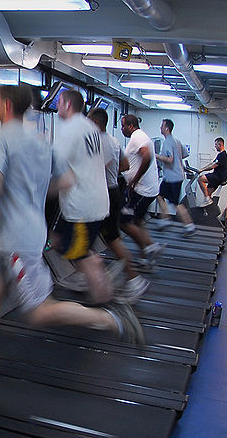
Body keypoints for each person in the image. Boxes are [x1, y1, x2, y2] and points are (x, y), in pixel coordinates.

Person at [0, 84, 144, 388]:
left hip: (17, 241)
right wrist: (28, 191)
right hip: (26, 233)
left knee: (40, 312)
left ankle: (112, 321)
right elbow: (65, 180)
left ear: (7, 106)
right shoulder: (40, 141)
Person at [51, 89, 112, 304]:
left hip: (82, 206)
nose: (56, 106)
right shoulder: (89, 127)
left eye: (59, 102)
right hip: (94, 201)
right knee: (58, 240)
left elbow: (56, 164)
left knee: (80, 253)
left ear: (67, 105)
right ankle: (86, 276)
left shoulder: (70, 128)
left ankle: (105, 303)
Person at [89, 108, 149, 301]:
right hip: (112, 191)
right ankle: (129, 278)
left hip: (104, 194)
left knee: (105, 238)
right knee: (111, 238)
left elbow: (95, 168)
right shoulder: (114, 141)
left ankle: (130, 278)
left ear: (96, 124)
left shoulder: (101, 142)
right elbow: (125, 165)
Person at [119, 114, 164, 267]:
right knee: (137, 220)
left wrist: (134, 180)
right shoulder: (140, 136)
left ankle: (148, 249)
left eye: (123, 126)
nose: (122, 129)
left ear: (131, 126)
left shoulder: (137, 136)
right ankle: (151, 246)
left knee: (124, 222)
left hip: (141, 191)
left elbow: (147, 156)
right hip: (147, 190)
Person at [155, 119, 197, 236]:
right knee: (159, 196)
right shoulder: (176, 140)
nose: (160, 128)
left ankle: (189, 225)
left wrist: (156, 156)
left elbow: (169, 159)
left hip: (173, 177)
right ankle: (165, 219)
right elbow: (185, 153)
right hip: (171, 176)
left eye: (161, 126)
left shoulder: (168, 141)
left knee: (176, 203)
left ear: (167, 128)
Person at [197, 136, 227, 205]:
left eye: (216, 145)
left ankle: (207, 199)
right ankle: (209, 212)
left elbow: (212, 167)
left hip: (218, 177)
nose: (215, 147)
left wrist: (202, 170)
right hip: (218, 177)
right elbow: (212, 163)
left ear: (220, 145)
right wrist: (202, 169)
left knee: (200, 179)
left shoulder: (222, 155)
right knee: (208, 194)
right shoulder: (220, 155)